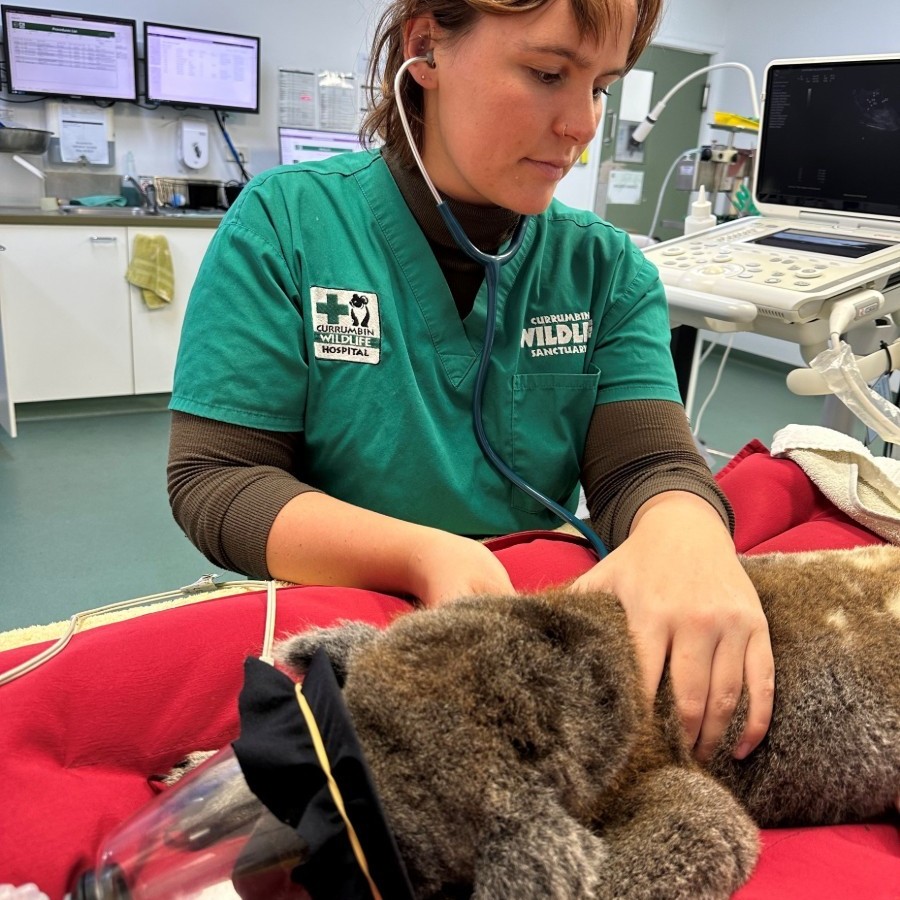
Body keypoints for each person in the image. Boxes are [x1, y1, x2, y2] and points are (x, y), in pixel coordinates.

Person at [168, 0, 774, 763]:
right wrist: (424, 556)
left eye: (600, 87)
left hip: (514, 631)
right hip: (328, 627)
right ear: (426, 47)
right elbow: (218, 479)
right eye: (548, 73)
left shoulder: (604, 269)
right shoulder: (288, 223)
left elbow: (645, 465)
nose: (582, 125)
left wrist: (686, 533)